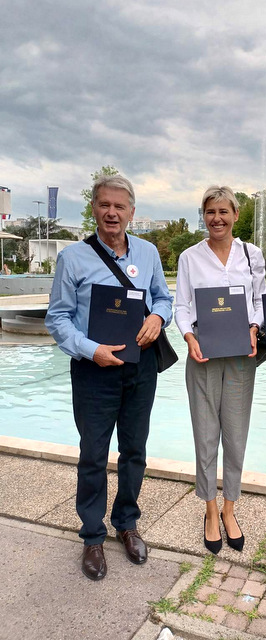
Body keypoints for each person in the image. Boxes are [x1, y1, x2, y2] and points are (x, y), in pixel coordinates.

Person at [45, 174, 173, 581]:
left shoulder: (148, 252)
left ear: (132, 212)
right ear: (94, 209)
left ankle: (127, 522)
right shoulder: (73, 258)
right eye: (104, 205)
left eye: (120, 206)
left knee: (134, 450)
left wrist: (158, 317)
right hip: (93, 370)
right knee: (93, 454)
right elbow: (57, 318)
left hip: (140, 366)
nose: (112, 213)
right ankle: (92, 536)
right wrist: (90, 349)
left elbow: (164, 298)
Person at [175, 185, 266, 554]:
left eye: (223, 211)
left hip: (241, 352)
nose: (217, 218)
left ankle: (230, 508)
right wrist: (188, 337)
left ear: (235, 215)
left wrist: (254, 326)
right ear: (204, 216)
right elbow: (182, 306)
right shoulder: (190, 257)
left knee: (236, 433)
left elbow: (260, 300)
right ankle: (210, 511)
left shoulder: (251, 254)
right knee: (205, 434)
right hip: (203, 351)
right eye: (210, 212)